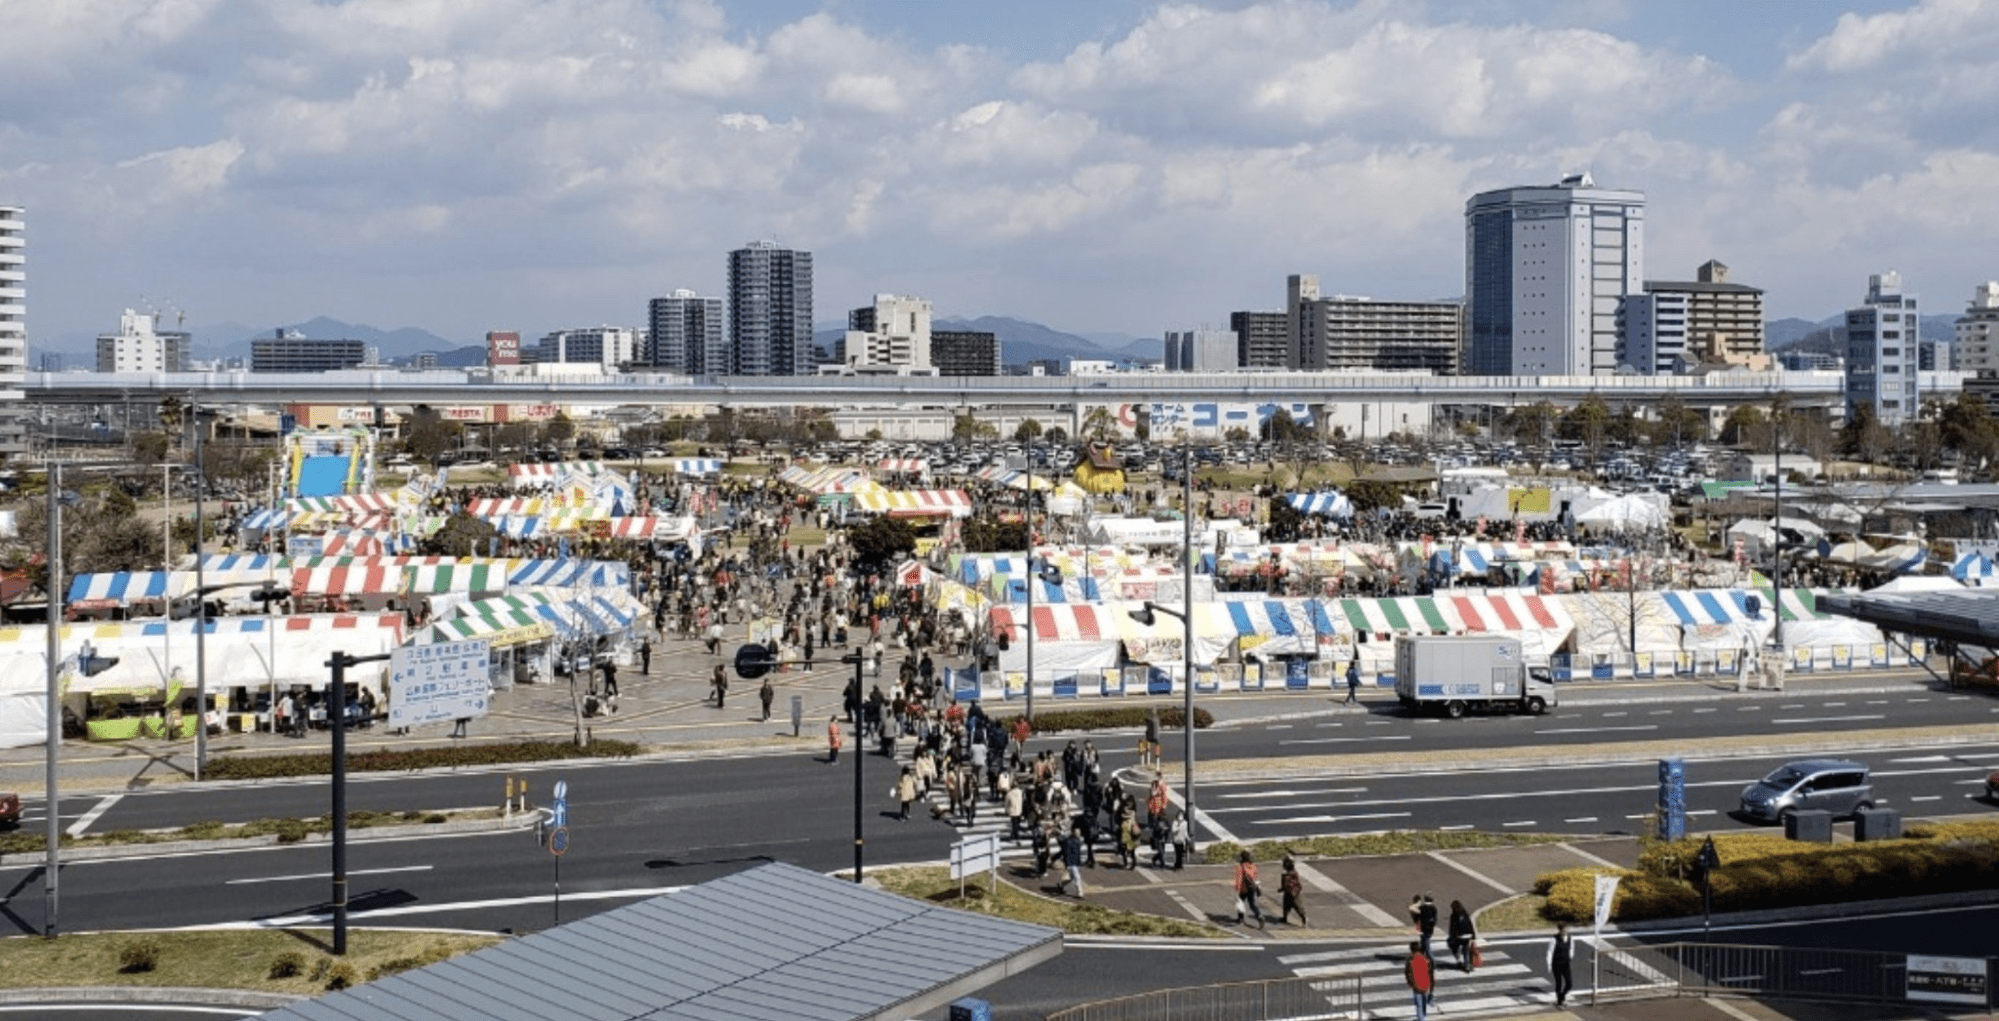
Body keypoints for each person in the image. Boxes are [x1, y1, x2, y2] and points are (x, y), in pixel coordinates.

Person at [1233, 850, 1264, 928]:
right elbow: (1255, 876)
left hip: (1243, 889)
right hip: (1252, 888)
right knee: (1252, 905)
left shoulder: (1240, 867)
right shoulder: (1253, 866)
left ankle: (1240, 918)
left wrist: (1237, 890)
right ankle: (1259, 916)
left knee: (1240, 903)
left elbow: (1239, 880)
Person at [1404, 941, 1435, 1021]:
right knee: (1424, 1001)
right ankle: (1423, 1016)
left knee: (1419, 1004)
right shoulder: (1425, 959)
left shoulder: (1411, 960)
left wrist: (1411, 983)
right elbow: (1430, 972)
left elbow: (1408, 973)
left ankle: (1421, 1018)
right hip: (1425, 984)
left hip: (1416, 985)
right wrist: (1431, 986)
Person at [1447, 898, 1478, 972]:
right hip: (1468, 935)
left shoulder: (1453, 916)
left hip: (1459, 936)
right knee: (1465, 949)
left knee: (1453, 945)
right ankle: (1467, 964)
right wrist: (1473, 936)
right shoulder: (1465, 913)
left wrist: (1452, 936)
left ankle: (1458, 959)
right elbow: (1470, 925)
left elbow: (1452, 928)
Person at [1548, 921, 1574, 1007]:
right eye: (1563, 930)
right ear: (1560, 930)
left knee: (1569, 984)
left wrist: (1570, 957)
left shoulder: (1570, 938)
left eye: (1566, 930)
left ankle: (1561, 997)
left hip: (1566, 964)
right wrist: (1549, 964)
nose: (1565, 932)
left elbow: (1571, 948)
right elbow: (1550, 952)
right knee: (1558, 983)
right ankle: (1560, 1001)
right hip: (1556, 964)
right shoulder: (1554, 939)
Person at [1278, 855, 1307, 926]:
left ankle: (1285, 918)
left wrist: (1281, 889)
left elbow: (1285, 885)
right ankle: (1303, 919)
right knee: (1298, 907)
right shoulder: (1294, 873)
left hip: (1289, 893)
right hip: (1296, 893)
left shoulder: (1286, 875)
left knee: (1287, 906)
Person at [1417, 892, 1439, 960]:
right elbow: (1435, 919)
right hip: (1430, 929)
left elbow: (1417, 917)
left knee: (1426, 946)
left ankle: (1432, 962)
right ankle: (1421, 958)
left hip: (1423, 928)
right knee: (1423, 944)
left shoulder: (1421, 907)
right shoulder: (1434, 908)